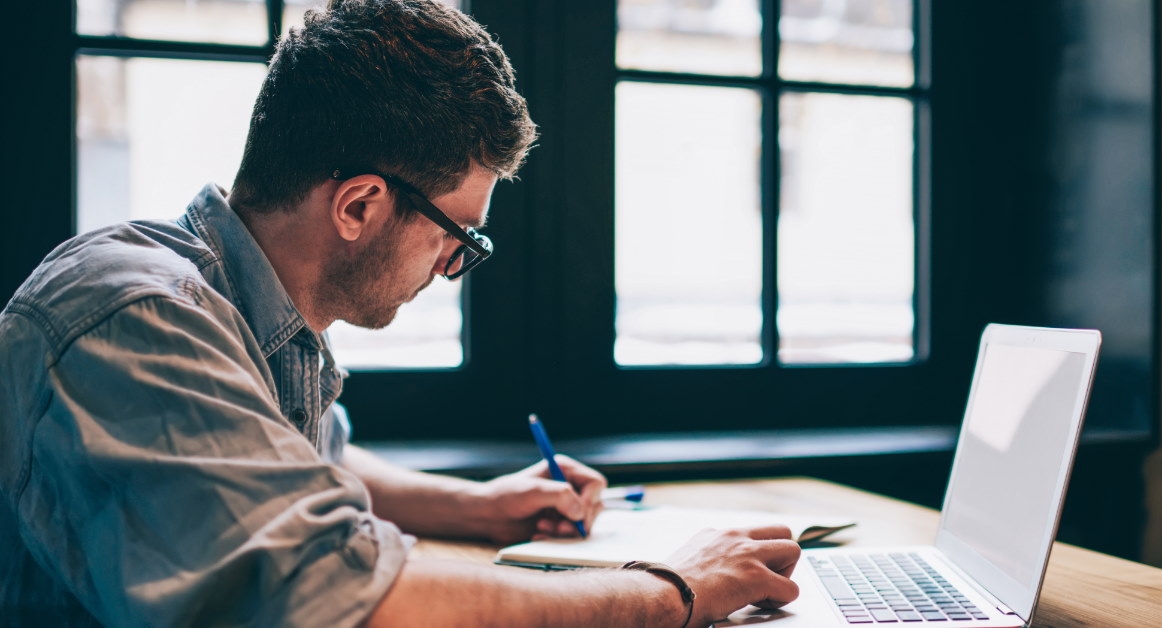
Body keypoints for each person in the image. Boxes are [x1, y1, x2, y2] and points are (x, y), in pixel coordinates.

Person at [0, 0, 801, 625]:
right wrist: (675, 590)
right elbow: (346, 603)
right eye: (459, 236)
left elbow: (296, 466)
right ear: (358, 205)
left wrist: (478, 506)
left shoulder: (247, 310)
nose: (456, 268)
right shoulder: (134, 317)